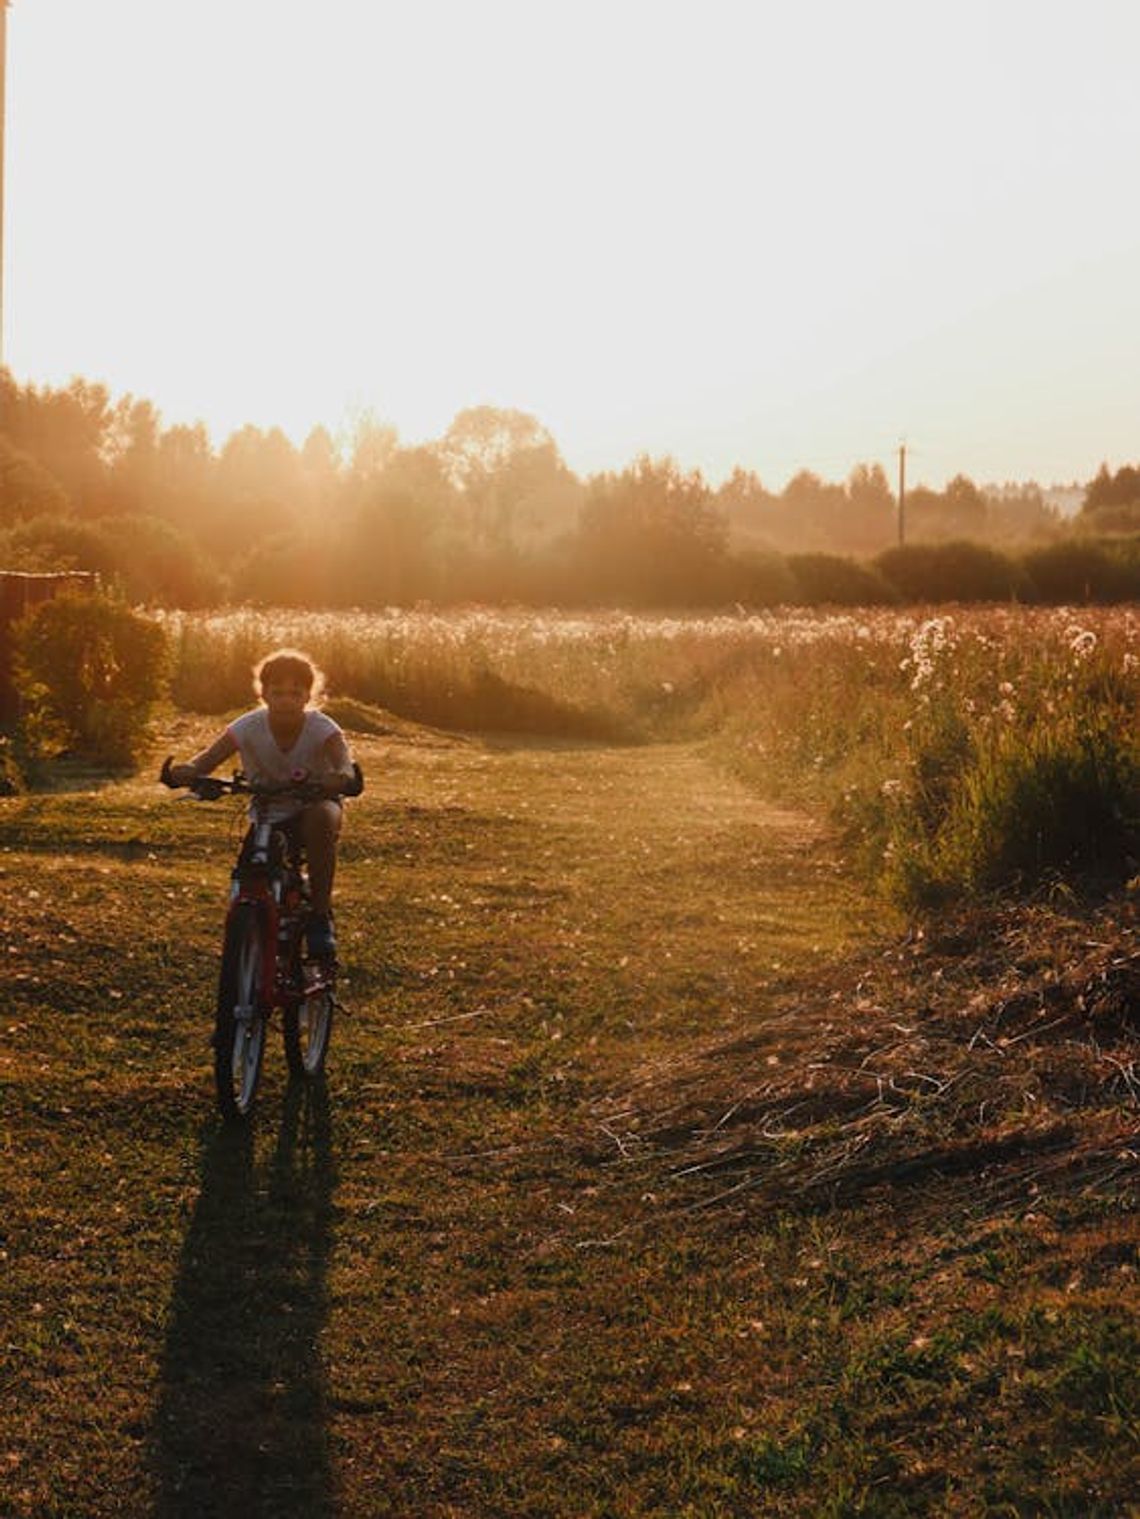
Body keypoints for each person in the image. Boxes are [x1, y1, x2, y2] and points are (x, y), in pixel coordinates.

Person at [167, 647, 355, 958]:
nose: (286, 700)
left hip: (313, 806)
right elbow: (207, 760)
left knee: (321, 818)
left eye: (295, 693)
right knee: (249, 870)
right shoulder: (247, 726)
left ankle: (321, 917)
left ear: (308, 697)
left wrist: (341, 776)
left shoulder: (323, 728)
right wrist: (187, 772)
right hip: (266, 811)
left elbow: (344, 764)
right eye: (277, 692)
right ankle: (248, 931)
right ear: (263, 694)